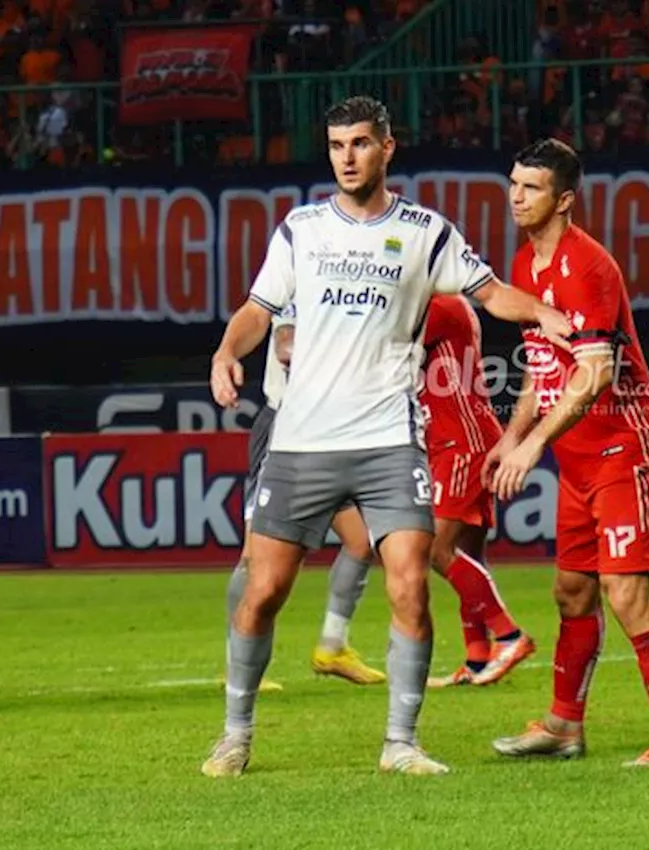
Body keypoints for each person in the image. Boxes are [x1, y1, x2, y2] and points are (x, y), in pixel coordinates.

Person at [203, 96, 572, 777]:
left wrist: (544, 310)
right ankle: (236, 734)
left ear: (387, 148)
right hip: (302, 443)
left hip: (388, 442)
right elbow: (257, 311)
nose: (347, 157)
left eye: (361, 144)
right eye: (338, 144)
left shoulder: (425, 231)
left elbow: (489, 292)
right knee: (263, 592)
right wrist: (228, 352)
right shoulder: (301, 230)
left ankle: (400, 743)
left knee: (410, 584)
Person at [488, 139, 649, 768]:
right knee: (572, 591)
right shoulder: (527, 265)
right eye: (514, 184)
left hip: (623, 449)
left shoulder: (590, 266)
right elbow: (542, 367)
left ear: (565, 199)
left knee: (625, 594)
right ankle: (562, 726)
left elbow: (594, 374)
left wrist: (534, 445)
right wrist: (511, 434)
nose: (516, 197)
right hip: (577, 459)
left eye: (531, 188)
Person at [305, 294, 536, 688]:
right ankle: (478, 658)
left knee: (435, 548)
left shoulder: (440, 304)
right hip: (462, 437)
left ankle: (510, 636)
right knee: (468, 554)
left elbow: (384, 346)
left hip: (459, 442)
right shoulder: (446, 304)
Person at [225, 303, 386, 687]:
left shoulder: (350, 279)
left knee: (361, 542)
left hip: (329, 428)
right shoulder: (299, 271)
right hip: (287, 425)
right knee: (255, 555)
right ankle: (237, 662)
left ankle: (332, 647)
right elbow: (286, 348)